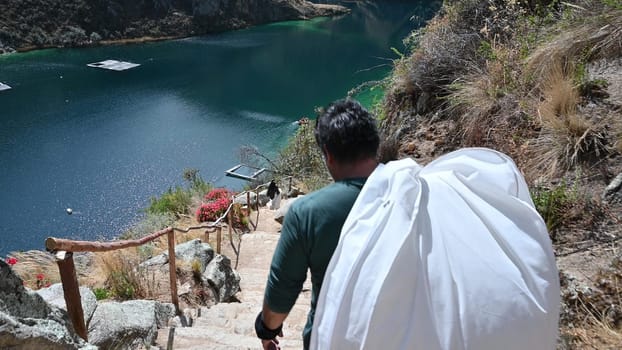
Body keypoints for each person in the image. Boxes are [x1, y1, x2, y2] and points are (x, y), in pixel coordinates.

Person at [255, 99, 380, 350]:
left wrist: (267, 329)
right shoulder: (418, 192)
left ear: (329, 155)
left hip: (335, 338)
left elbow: (283, 288)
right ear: (376, 146)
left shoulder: (308, 213)